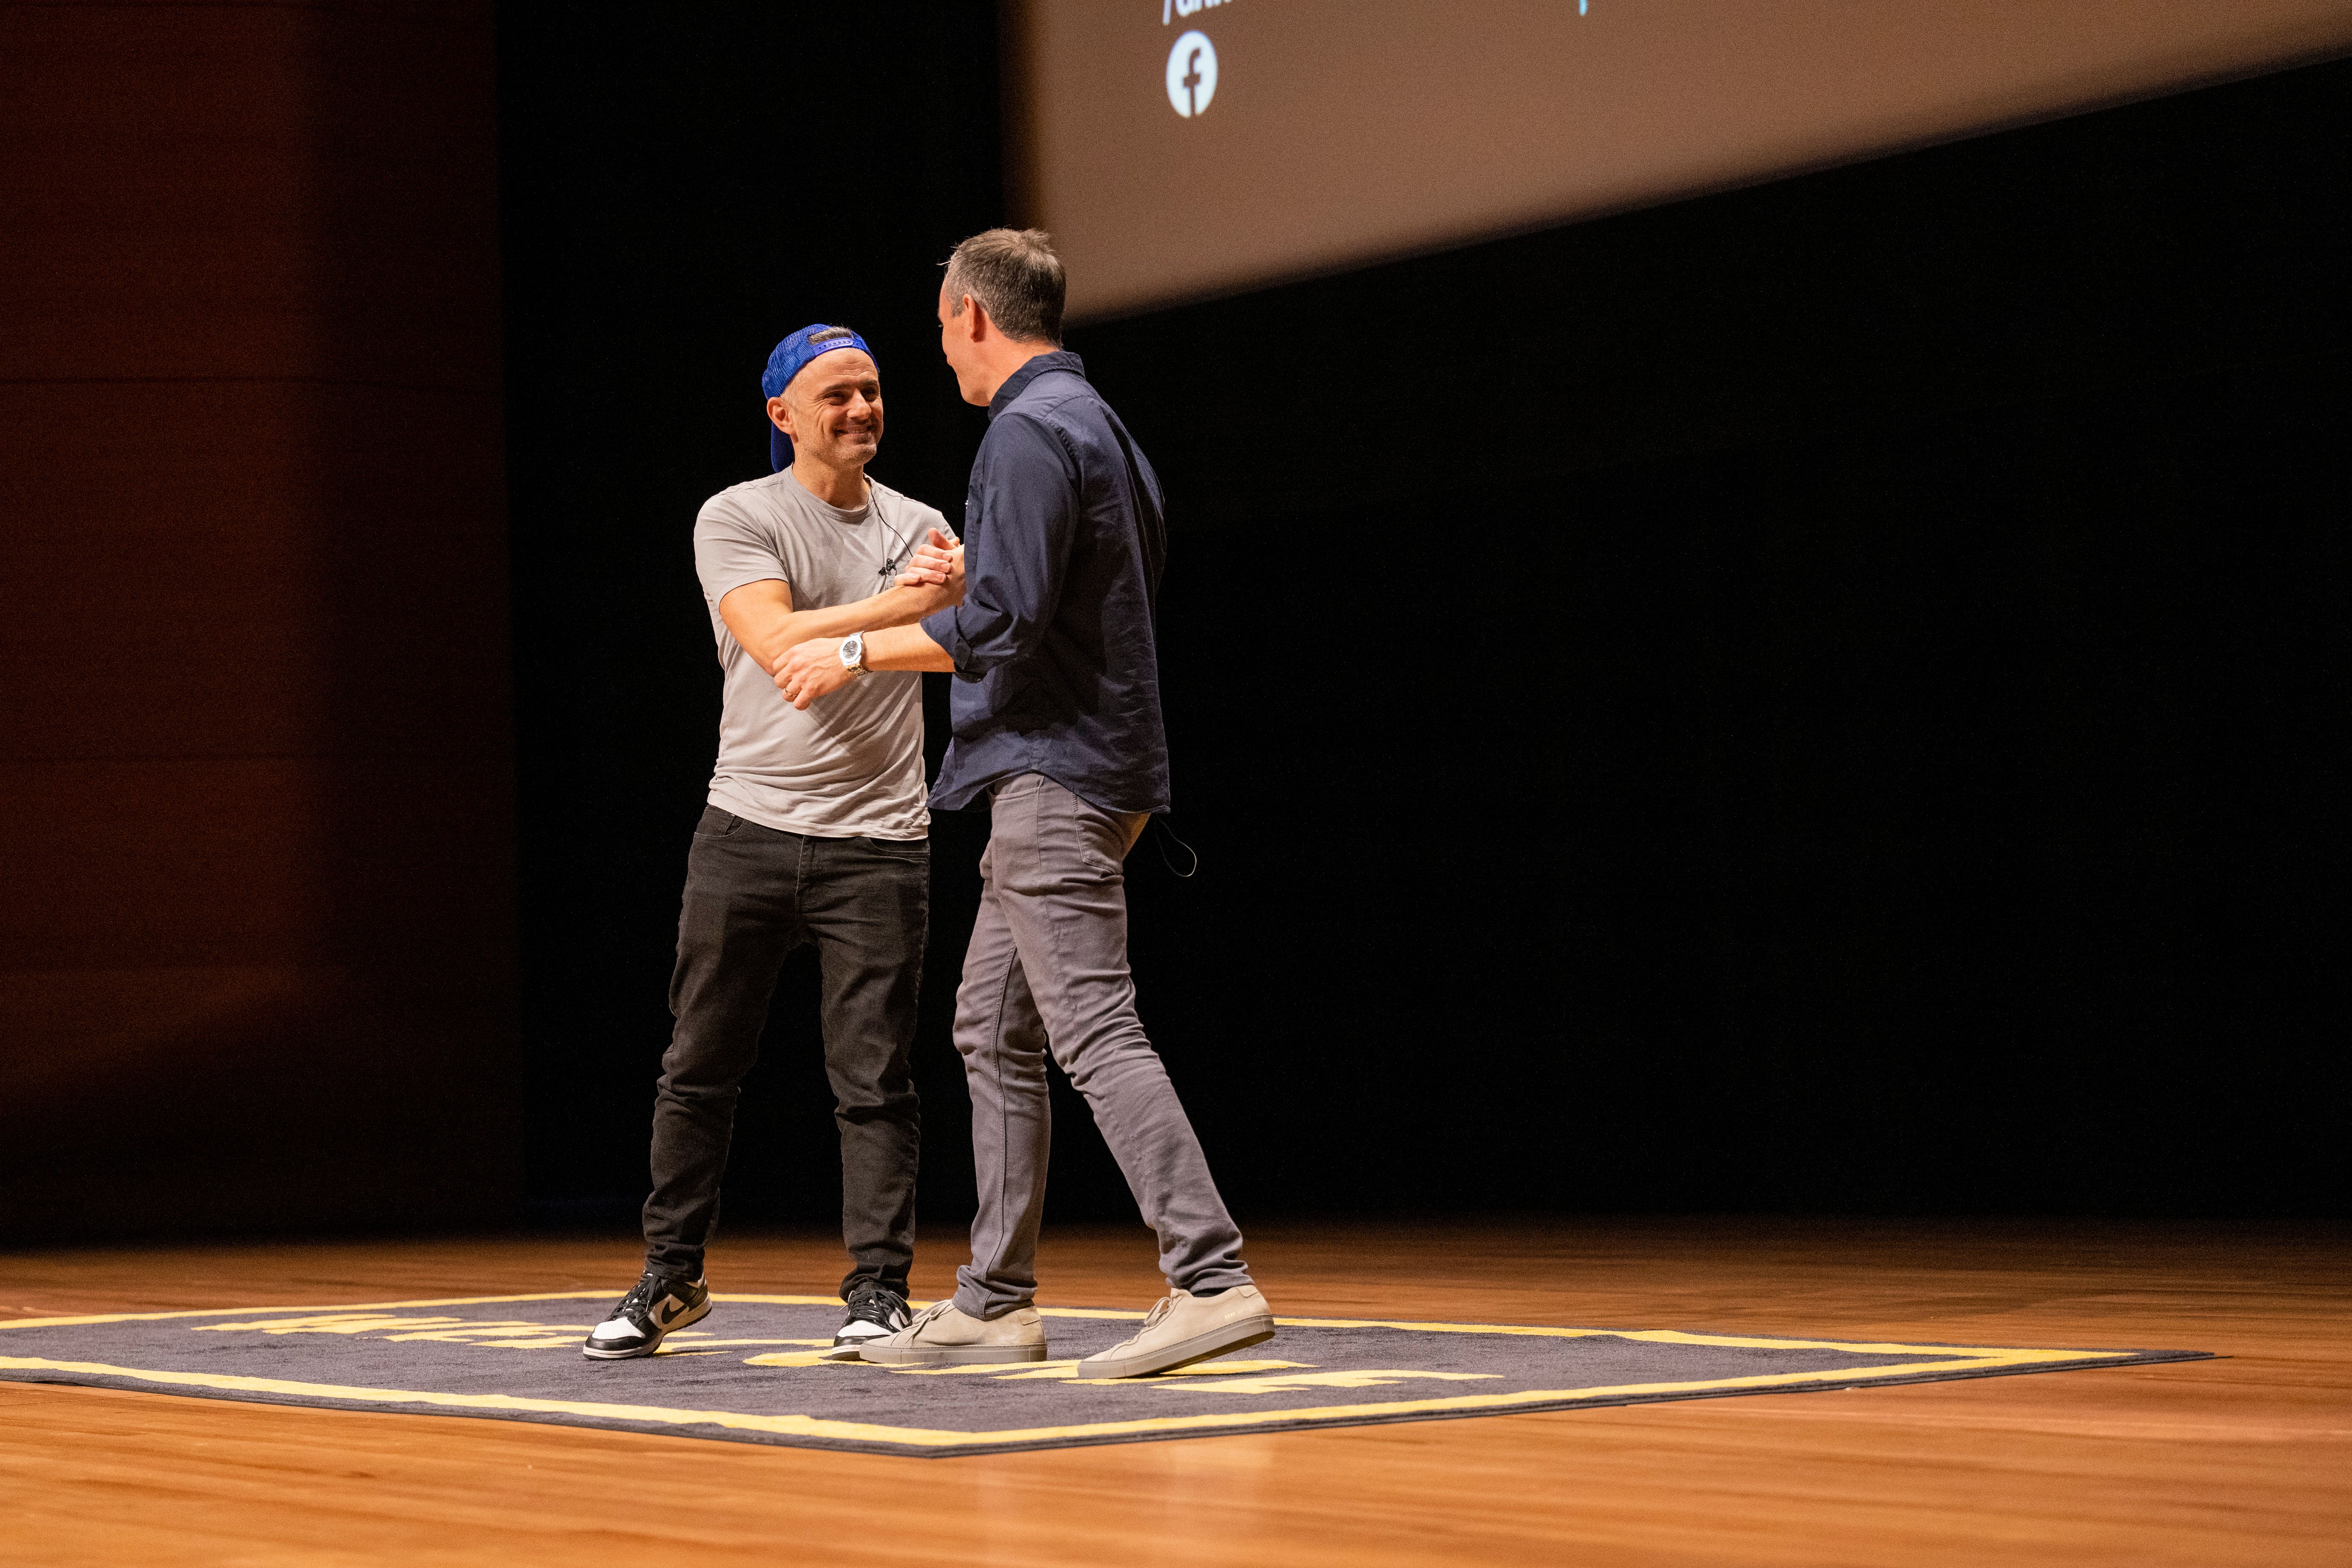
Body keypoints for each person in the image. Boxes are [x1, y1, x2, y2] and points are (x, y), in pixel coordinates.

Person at [773, 231, 1274, 1378]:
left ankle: (1209, 1275)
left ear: (973, 320)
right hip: (1081, 767)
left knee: (1091, 1023)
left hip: (1058, 773)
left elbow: (1004, 626)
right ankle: (996, 1300)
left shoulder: (1031, 432)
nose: (939, 349)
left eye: (941, 327)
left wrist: (857, 646)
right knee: (990, 1026)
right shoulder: (1098, 427)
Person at [584, 325, 962, 1361]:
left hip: (881, 839)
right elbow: (769, 634)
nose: (860, 410)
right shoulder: (738, 514)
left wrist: (910, 615)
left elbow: (954, 641)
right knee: (698, 1062)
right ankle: (671, 1272)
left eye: (873, 391)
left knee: (875, 1078)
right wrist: (909, 601)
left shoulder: (923, 519)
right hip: (746, 828)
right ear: (781, 415)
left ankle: (878, 1289)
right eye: (835, 394)